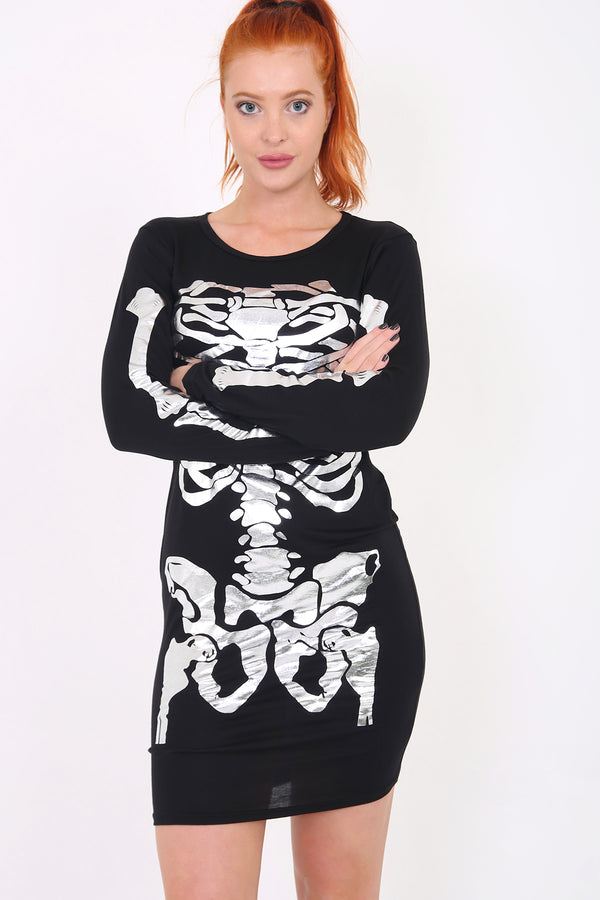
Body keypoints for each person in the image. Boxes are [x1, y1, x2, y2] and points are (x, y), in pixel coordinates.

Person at [101, 0, 430, 897]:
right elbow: (127, 418)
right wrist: (324, 388)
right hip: (207, 641)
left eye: (296, 104)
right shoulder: (166, 250)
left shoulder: (380, 255)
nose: (272, 132)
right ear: (223, 107)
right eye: (249, 105)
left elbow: (386, 417)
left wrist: (197, 377)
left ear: (331, 107)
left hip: (352, 627)